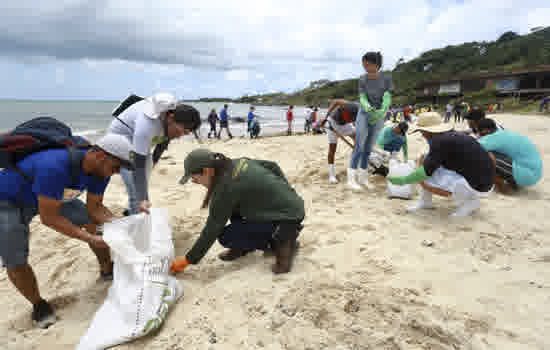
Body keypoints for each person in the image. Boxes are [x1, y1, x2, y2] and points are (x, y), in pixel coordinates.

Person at [0, 134, 134, 328]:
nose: (116, 173)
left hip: (51, 196)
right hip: (9, 200)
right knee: (15, 257)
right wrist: (89, 238)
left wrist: (122, 224)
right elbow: (50, 218)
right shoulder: (54, 165)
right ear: (100, 156)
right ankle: (38, 305)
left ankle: (106, 269)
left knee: (93, 223)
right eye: (116, 168)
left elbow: (95, 208)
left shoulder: (100, 172)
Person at [171, 149, 305, 274]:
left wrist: (188, 260)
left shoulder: (225, 188)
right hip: (292, 207)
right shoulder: (236, 163)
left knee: (226, 236)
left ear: (207, 171)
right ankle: (243, 247)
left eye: (194, 178)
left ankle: (283, 241)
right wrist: (286, 192)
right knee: (234, 207)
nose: (194, 182)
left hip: (287, 217)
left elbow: (212, 228)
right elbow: (272, 166)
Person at [108, 92, 201, 216]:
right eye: (182, 131)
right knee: (136, 189)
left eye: (185, 134)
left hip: (140, 139)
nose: (180, 136)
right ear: (171, 118)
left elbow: (163, 141)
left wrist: (153, 163)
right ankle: (137, 216)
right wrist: (143, 198)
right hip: (121, 139)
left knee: (143, 182)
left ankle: (134, 210)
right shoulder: (147, 125)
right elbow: (138, 165)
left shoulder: (170, 120)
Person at [388, 113, 495, 217]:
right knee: (425, 161)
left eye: (422, 131)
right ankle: (425, 202)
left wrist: (404, 180)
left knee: (422, 176)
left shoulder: (440, 142)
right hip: (486, 179)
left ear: (428, 131)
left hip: (479, 185)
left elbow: (424, 172)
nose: (422, 134)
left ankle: (471, 202)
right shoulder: (451, 135)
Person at [348, 51, 392, 190]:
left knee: (368, 148)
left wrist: (383, 108)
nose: (364, 67)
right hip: (364, 114)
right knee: (359, 145)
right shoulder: (362, 79)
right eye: (363, 64)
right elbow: (362, 97)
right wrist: (366, 106)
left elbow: (387, 96)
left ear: (376, 64)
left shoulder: (386, 79)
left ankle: (363, 178)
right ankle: (351, 180)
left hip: (379, 115)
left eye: (367, 64)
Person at [477, 118, 542, 194]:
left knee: (485, 155)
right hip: (535, 173)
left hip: (525, 174)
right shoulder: (505, 133)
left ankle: (504, 189)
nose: (479, 135)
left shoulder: (493, 137)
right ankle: (514, 185)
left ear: (485, 131)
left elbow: (474, 147)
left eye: (479, 133)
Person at [319, 99, 358, 183]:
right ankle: (331, 175)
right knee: (332, 149)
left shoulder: (361, 111)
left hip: (346, 125)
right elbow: (335, 102)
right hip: (332, 124)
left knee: (358, 142)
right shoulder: (350, 105)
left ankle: (357, 164)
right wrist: (325, 117)